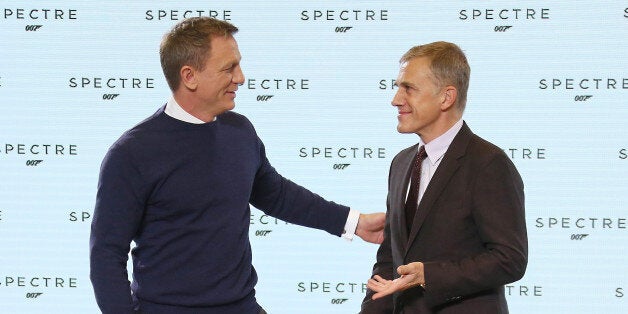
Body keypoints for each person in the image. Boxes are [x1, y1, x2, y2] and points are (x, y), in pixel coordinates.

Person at [89, 17, 385, 314]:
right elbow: (106, 255)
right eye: (228, 68)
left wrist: (354, 222)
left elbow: (277, 195)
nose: (241, 77)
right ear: (189, 76)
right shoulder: (131, 153)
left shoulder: (240, 130)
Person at [360, 41, 528, 313]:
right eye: (397, 87)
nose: (396, 99)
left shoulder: (488, 163)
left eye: (409, 88)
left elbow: (509, 259)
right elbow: (389, 261)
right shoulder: (401, 163)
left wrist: (429, 275)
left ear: (446, 97)